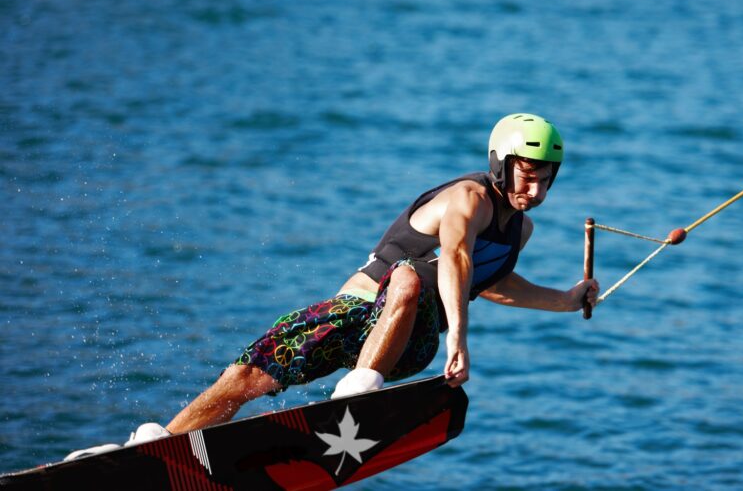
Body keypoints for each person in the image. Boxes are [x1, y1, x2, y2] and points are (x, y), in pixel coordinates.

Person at [68, 113, 599, 459]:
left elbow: (493, 281)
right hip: (355, 311)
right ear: (499, 166)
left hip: (408, 338)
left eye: (545, 178)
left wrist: (566, 299)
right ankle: (154, 448)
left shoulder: (519, 230)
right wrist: (462, 341)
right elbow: (458, 256)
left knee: (411, 282)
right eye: (525, 174)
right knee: (248, 376)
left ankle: (359, 392)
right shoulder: (468, 199)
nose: (535, 188)